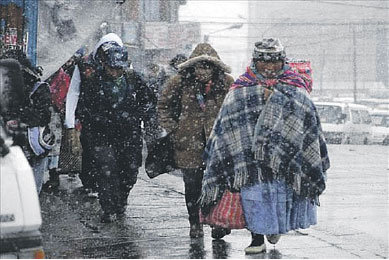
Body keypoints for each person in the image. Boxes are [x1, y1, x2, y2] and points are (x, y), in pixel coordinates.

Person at [199, 38, 330, 254]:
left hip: (285, 160)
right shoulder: (241, 87)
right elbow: (228, 122)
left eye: (274, 62)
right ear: (255, 61)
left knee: (281, 195)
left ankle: (274, 228)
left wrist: (278, 99)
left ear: (282, 61)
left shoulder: (295, 87)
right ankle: (256, 237)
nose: (269, 67)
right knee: (253, 197)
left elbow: (307, 122)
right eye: (263, 62)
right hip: (251, 161)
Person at [65, 33, 156, 223]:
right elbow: (81, 104)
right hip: (100, 134)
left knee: (130, 171)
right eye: (111, 68)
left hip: (129, 134)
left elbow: (148, 100)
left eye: (118, 69)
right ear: (104, 64)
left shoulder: (133, 79)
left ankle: (121, 200)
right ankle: (108, 208)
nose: (115, 72)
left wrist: (137, 115)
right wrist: (90, 121)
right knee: (106, 169)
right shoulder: (92, 80)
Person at [158, 43, 234, 238]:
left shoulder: (226, 83)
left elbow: (234, 109)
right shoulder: (180, 82)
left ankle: (218, 222)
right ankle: (196, 222)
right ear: (193, 67)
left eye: (207, 66)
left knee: (219, 184)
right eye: (200, 66)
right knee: (192, 186)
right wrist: (174, 129)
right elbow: (163, 105)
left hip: (218, 144)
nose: (203, 71)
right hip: (188, 143)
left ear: (215, 68)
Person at [0, 51, 55, 194]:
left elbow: (43, 116)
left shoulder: (38, 87)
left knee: (31, 192)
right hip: (8, 149)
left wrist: (18, 112)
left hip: (33, 147)